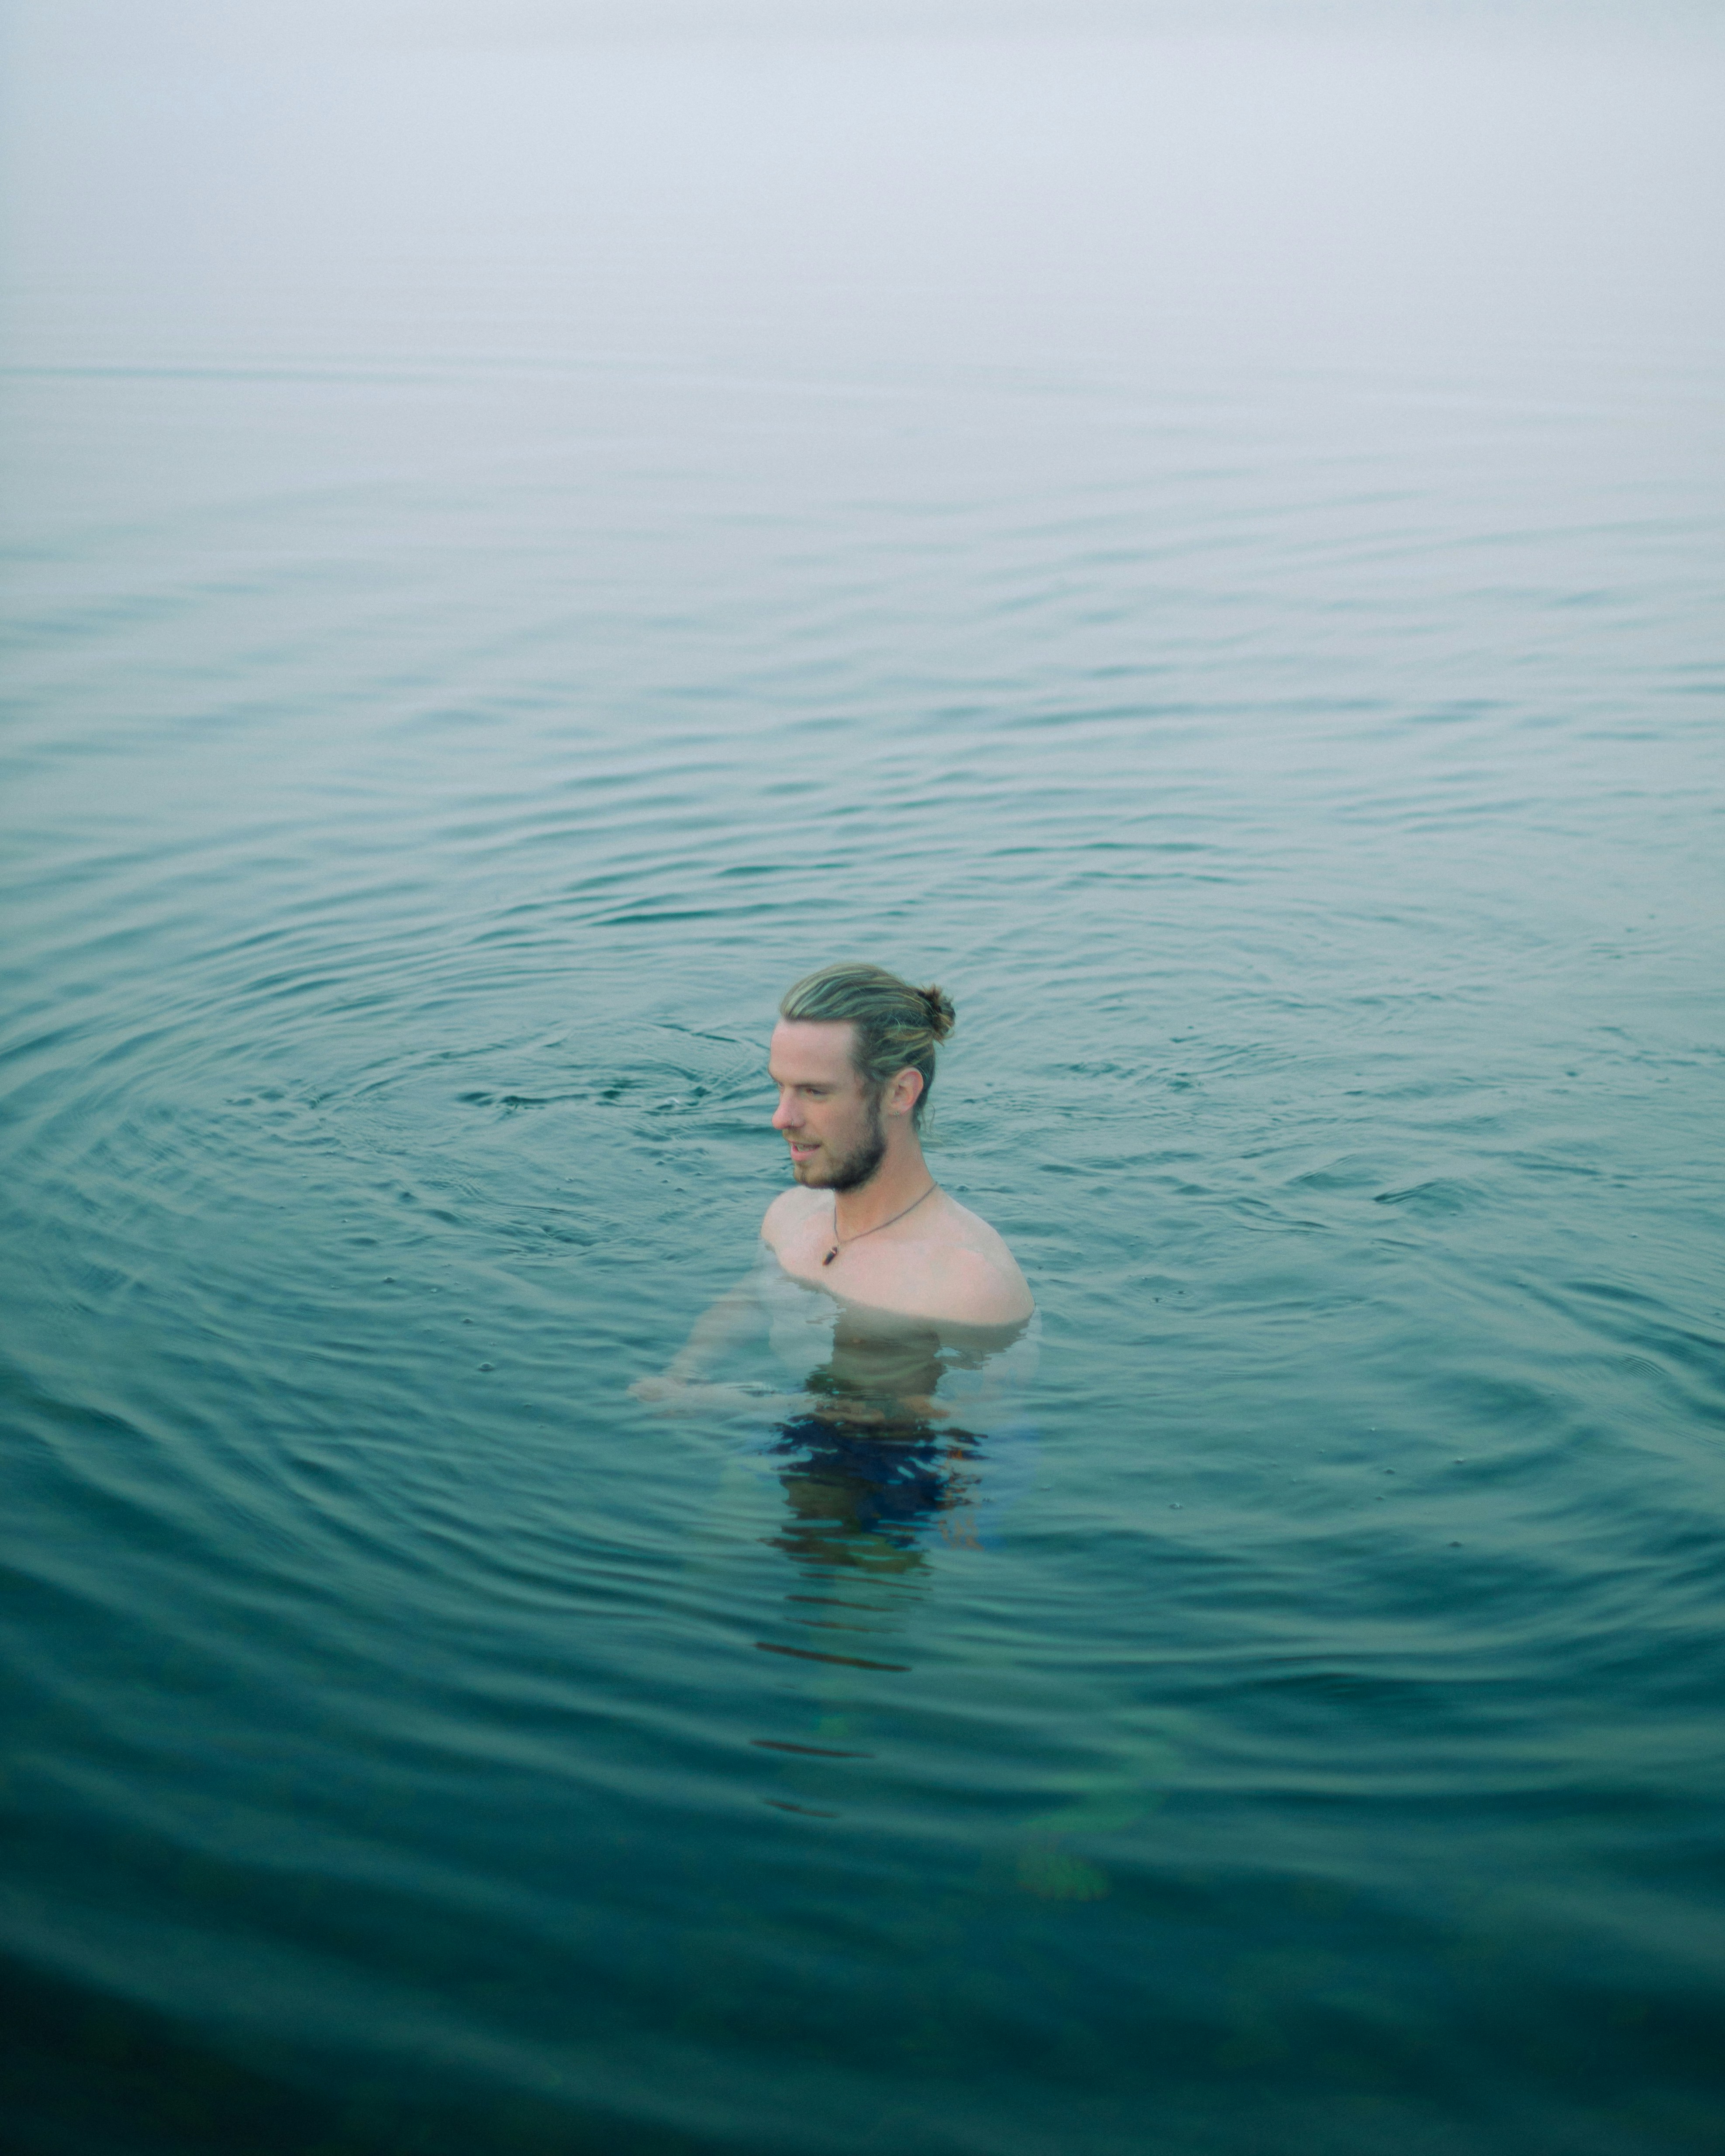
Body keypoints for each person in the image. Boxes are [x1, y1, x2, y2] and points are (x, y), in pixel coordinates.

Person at [631, 962, 1034, 1420]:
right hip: (786, 1442)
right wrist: (681, 1374)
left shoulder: (969, 1283)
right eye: (779, 1087)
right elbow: (751, 1297)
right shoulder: (787, 1217)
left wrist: (722, 1403)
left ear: (899, 1093)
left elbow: (978, 1432)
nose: (781, 1118)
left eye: (814, 1092)